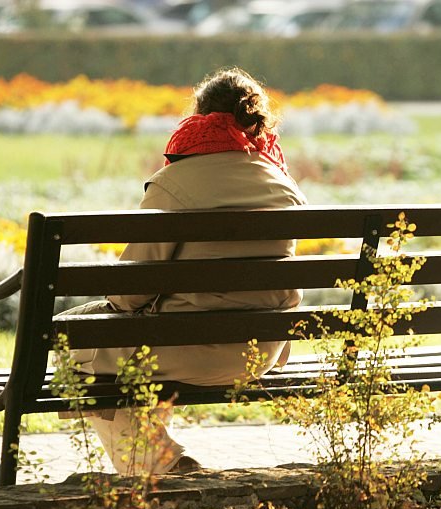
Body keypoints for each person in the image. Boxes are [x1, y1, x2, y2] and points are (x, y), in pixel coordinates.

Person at [61, 67, 307, 475]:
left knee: (74, 339)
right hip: (258, 352)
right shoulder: (282, 182)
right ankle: (159, 460)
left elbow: (129, 295)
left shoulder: (174, 183)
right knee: (119, 343)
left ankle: (163, 467)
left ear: (199, 118)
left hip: (184, 350)